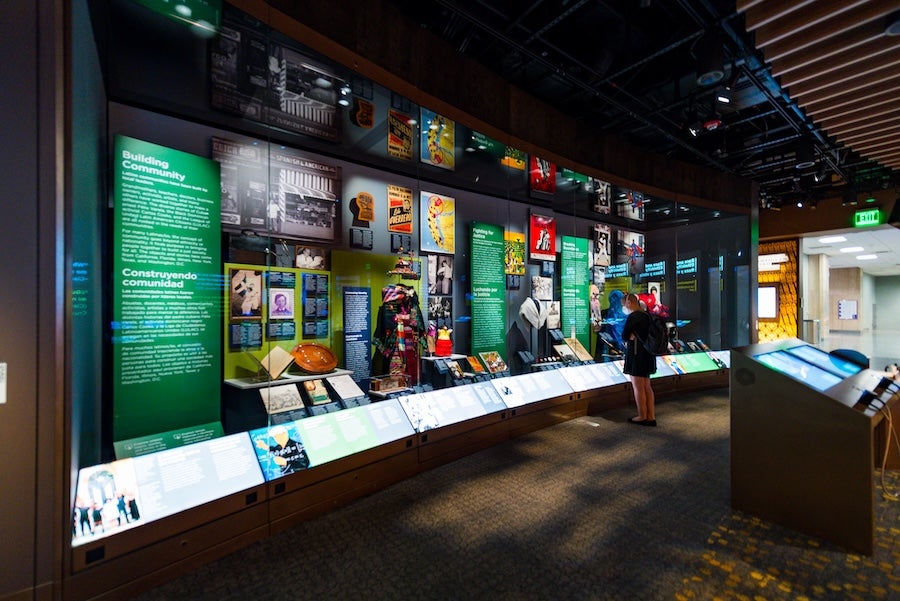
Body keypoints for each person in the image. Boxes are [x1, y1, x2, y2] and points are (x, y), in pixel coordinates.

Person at [621, 292, 657, 426]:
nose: (624, 307)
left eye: (624, 305)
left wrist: (629, 335)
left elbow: (624, 335)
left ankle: (642, 416)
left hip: (636, 354)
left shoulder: (634, 317)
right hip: (648, 354)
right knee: (647, 386)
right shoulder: (646, 315)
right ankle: (650, 416)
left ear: (629, 303)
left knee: (638, 386)